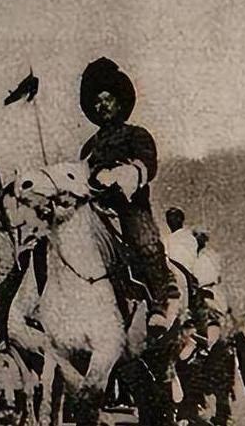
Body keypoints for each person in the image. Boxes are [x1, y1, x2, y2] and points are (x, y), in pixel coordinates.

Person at [78, 57, 180, 424]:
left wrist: (125, 175)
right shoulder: (88, 147)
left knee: (143, 239)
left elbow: (147, 164)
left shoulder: (137, 135)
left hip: (128, 207)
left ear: (120, 102)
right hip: (95, 212)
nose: (102, 106)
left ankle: (160, 301)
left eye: (107, 100)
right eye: (97, 102)